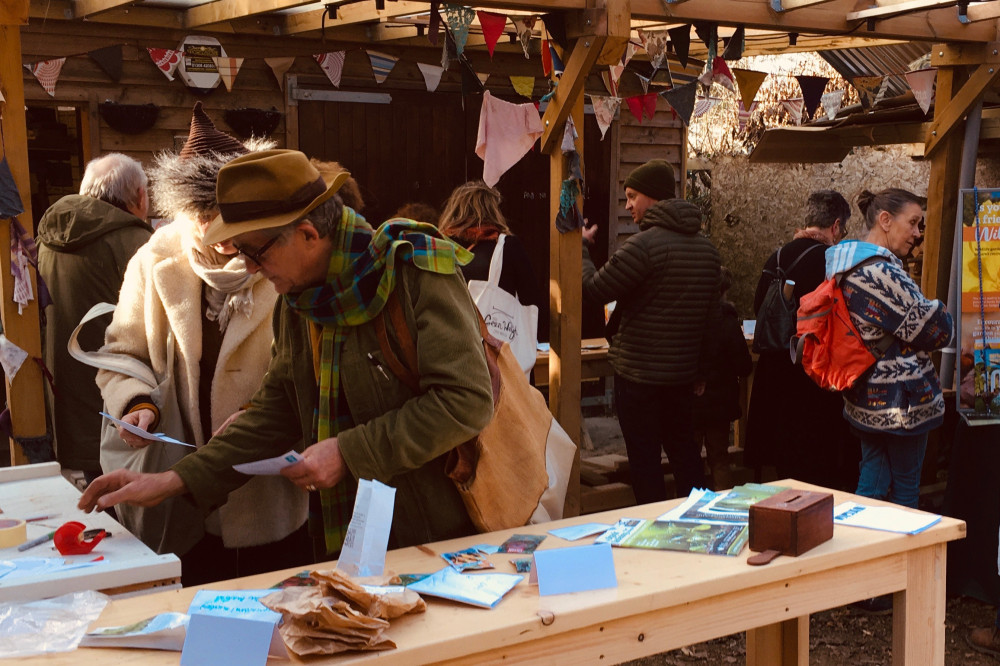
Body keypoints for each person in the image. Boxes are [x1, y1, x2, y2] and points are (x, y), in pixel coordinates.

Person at [79, 149, 494, 560]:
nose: (251, 268)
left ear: (309, 235)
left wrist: (348, 452)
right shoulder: (299, 300)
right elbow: (276, 409)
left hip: (436, 540)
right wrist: (172, 480)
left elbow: (466, 400)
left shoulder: (415, 271)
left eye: (256, 252)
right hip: (344, 537)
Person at [96, 104, 311, 585]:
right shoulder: (153, 261)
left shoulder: (281, 260)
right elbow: (120, 354)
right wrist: (136, 403)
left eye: (231, 220)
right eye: (205, 217)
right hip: (180, 498)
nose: (224, 236)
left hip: (270, 495)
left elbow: (308, 369)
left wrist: (263, 411)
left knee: (277, 617)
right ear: (182, 211)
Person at [582, 158, 721, 502]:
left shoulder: (643, 247)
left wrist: (582, 247)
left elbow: (594, 289)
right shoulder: (707, 250)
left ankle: (654, 536)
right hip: (682, 378)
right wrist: (701, 370)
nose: (627, 205)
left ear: (654, 197)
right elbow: (711, 319)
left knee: (645, 464)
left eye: (632, 196)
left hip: (638, 377)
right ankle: (701, 525)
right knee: (686, 457)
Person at [828, 188, 953, 509]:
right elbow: (938, 331)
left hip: (866, 396)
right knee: (905, 492)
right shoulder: (880, 271)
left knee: (873, 481)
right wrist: (937, 306)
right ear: (885, 220)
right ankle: (903, 558)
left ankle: (863, 552)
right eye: (912, 222)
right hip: (902, 403)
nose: (917, 234)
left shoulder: (844, 264)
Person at [37, 153, 154, 483]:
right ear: (140, 197)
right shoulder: (138, 243)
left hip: (62, 403)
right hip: (124, 407)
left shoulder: (46, 240)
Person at [744, 189, 860, 490]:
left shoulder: (778, 256)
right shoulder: (831, 263)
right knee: (813, 463)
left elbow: (760, 306)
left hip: (774, 370)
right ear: (835, 226)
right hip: (812, 375)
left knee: (783, 461)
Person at [437, 180, 543, 311]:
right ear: (493, 211)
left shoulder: (440, 246)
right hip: (493, 329)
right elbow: (531, 301)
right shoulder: (508, 247)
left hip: (448, 328)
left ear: (453, 210)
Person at [693, 267, 753, 491]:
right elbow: (744, 365)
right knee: (719, 458)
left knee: (689, 457)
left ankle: (691, 503)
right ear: (725, 290)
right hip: (720, 404)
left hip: (692, 401)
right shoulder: (728, 323)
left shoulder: (689, 320)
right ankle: (722, 504)